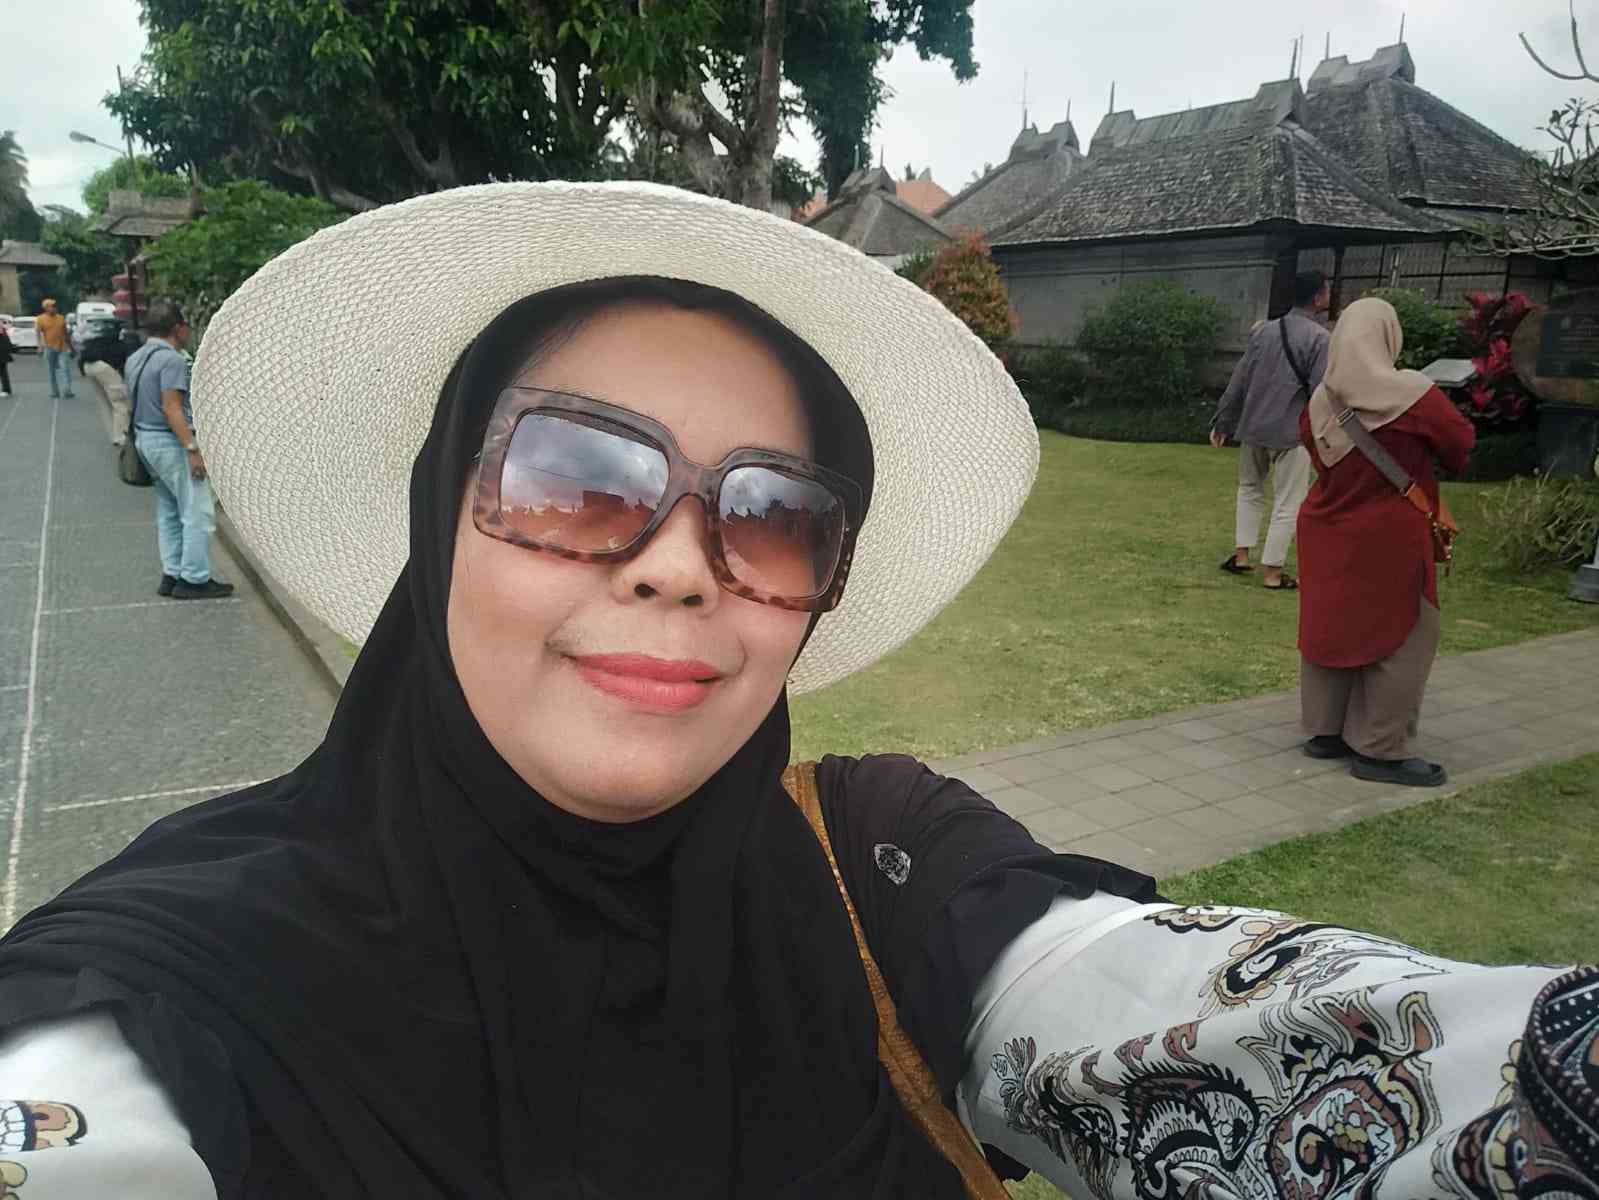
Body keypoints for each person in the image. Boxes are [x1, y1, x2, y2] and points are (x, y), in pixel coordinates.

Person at [0, 186, 1590, 1200]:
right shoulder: (170, 980)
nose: (677, 567)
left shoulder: (873, 865)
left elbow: (1211, 1025)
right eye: (572, 475)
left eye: (771, 514)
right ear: (440, 519)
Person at [1296, 297, 1475, 786]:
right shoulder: (1413, 394)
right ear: (1388, 337)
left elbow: (1320, 456)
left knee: (1331, 624)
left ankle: (1325, 731)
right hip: (1392, 535)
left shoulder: (1319, 404)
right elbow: (1460, 444)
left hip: (1327, 528)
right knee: (1405, 634)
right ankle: (1380, 749)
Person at [1210, 270, 1331, 591]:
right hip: (1291, 431)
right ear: (1317, 297)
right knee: (1288, 502)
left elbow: (1239, 379)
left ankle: (1241, 555)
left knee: (1249, 489)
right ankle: (1273, 573)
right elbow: (1321, 392)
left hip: (1253, 426)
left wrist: (1223, 421)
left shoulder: (1263, 332)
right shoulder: (1320, 338)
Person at [125, 301, 234, 600]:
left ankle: (171, 573)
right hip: (169, 442)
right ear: (177, 328)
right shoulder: (171, 360)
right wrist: (192, 448)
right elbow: (171, 407)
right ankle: (194, 579)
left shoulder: (136, 357)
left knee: (169, 510)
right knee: (197, 510)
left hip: (145, 440)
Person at [79, 316, 139, 446]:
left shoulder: (98, 339)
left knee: (104, 402)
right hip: (103, 367)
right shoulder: (125, 343)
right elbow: (123, 365)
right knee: (120, 402)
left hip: (88, 366)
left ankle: (113, 434)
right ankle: (121, 436)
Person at [35, 298, 76, 399]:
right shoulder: (40, 319)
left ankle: (67, 390)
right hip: (49, 347)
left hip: (62, 347)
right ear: (46, 308)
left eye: (55, 306)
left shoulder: (61, 318)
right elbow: (38, 333)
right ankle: (54, 391)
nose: (54, 308)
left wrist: (72, 348)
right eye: (52, 306)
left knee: (65, 368)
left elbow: (66, 334)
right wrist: (39, 346)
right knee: (51, 370)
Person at [0, 320, 12, 398]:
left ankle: (6, 390)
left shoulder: (2, 331)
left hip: (2, 353)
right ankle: (6, 390)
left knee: (3, 372)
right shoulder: (3, 330)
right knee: (3, 372)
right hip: (3, 353)